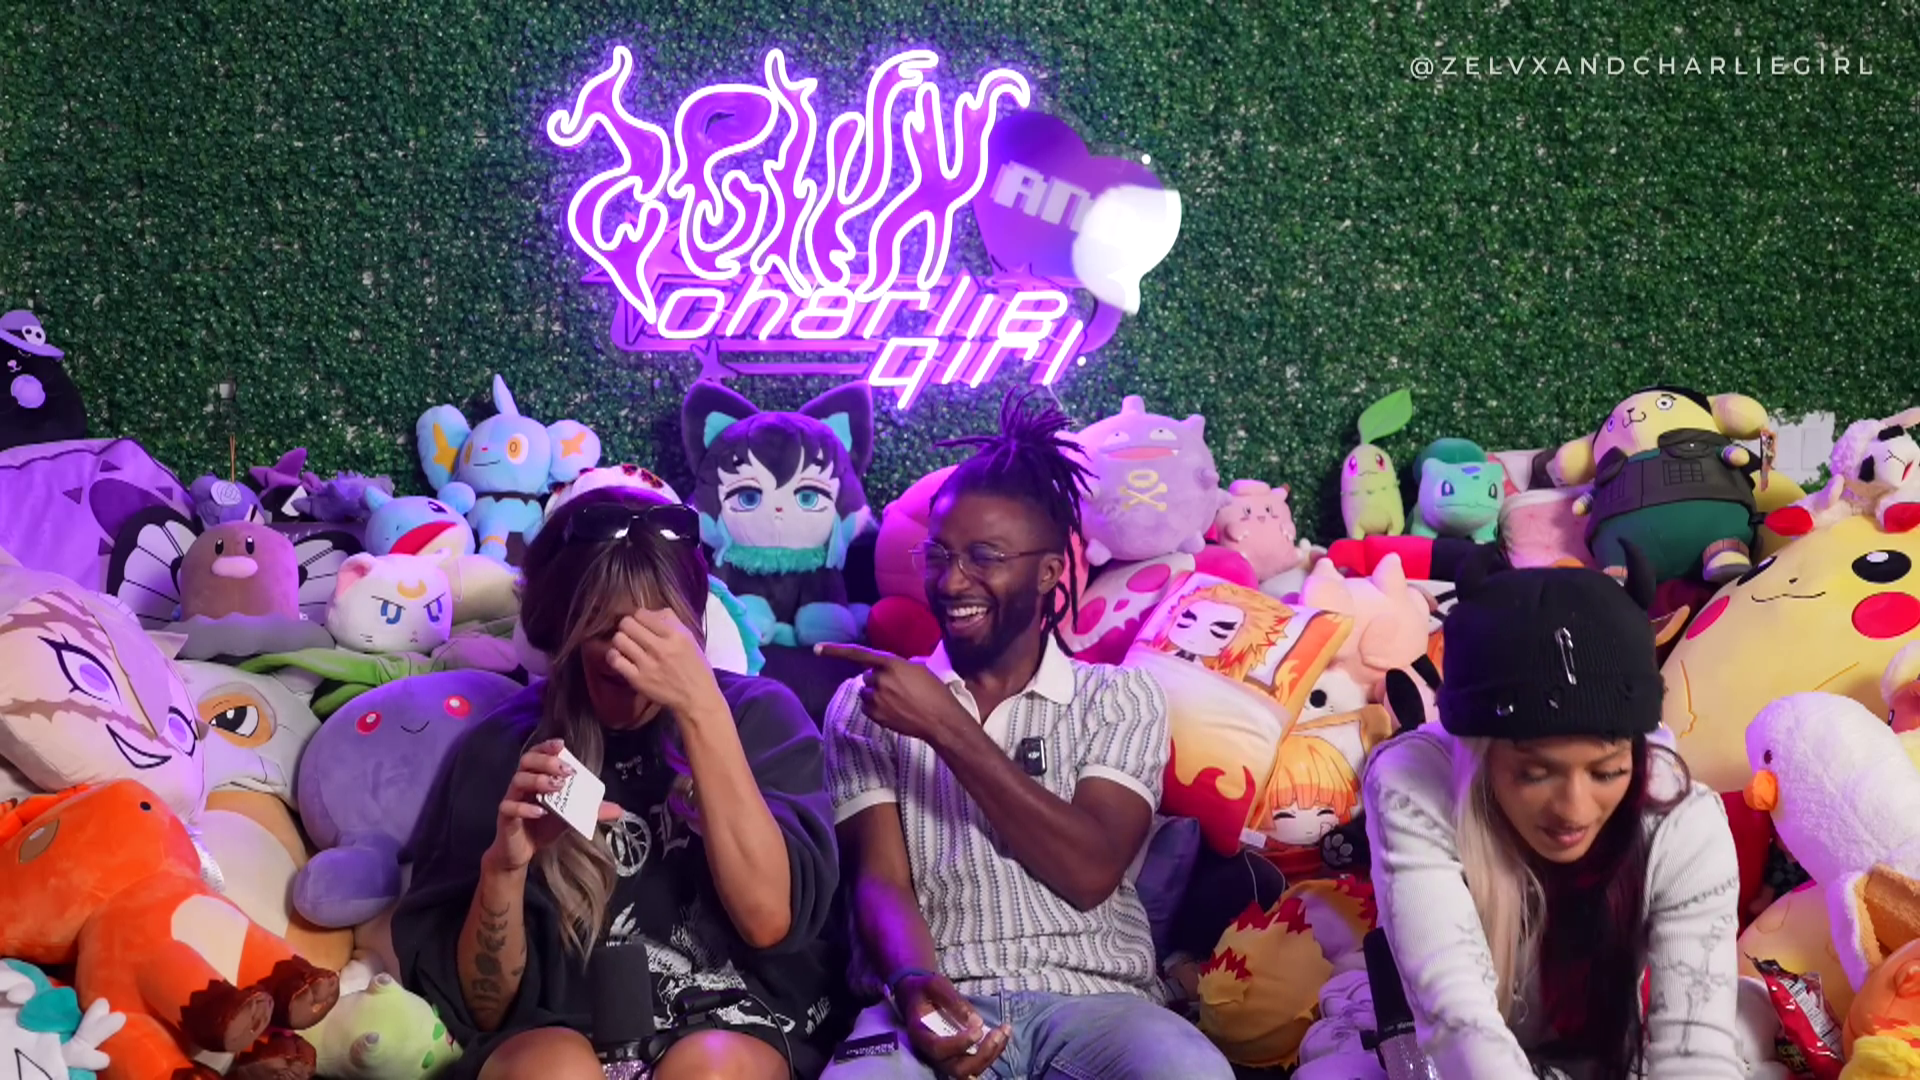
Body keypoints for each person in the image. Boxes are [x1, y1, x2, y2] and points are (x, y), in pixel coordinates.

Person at [815, 389, 1235, 1080]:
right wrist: (914, 986)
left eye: (985, 557)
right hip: (935, 994)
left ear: (1048, 571)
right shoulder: (868, 703)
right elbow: (880, 881)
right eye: (939, 554)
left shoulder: (1117, 696)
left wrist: (944, 725)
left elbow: (1090, 870)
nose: (952, 581)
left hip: (1099, 1003)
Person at [392, 487, 841, 1080]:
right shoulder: (506, 748)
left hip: (734, 1025)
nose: (629, 658)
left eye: (656, 632)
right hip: (567, 1035)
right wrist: (505, 868)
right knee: (552, 1070)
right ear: (564, 631)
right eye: (604, 631)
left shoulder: (756, 716)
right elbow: (484, 1008)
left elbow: (768, 920)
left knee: (710, 1068)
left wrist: (701, 710)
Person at [1362, 559, 1743, 1078]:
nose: (1574, 810)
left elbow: (1695, 1053)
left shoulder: (1684, 824)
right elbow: (1458, 1017)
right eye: (1535, 774)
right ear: (1480, 754)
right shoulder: (1412, 785)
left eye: (1607, 772)